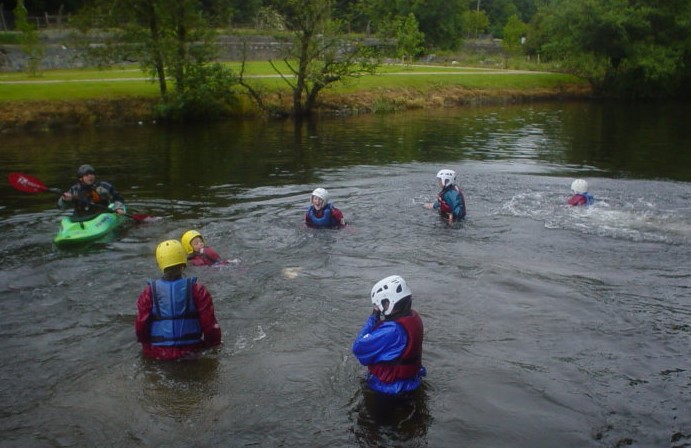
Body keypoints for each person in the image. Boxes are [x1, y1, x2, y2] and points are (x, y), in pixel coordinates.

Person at [135, 239, 222, 361]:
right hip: (191, 352)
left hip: (158, 354)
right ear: (183, 261)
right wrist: (213, 348)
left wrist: (147, 350)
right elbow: (210, 326)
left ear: (160, 262)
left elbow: (141, 326)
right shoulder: (197, 290)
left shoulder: (148, 292)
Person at [352, 275, 426, 395]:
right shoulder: (414, 317)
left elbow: (358, 348)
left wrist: (374, 316)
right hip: (413, 381)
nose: (381, 307)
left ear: (389, 302)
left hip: (388, 390)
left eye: (382, 304)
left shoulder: (392, 331)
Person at [58, 164, 126, 218]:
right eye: (87, 175)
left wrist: (118, 208)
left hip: (101, 216)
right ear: (81, 178)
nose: (90, 176)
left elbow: (118, 198)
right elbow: (60, 207)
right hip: (81, 217)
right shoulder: (74, 189)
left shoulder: (103, 186)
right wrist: (64, 200)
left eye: (92, 174)